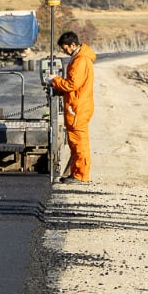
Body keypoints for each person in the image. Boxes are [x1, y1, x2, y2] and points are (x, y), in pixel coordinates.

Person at [50, 31, 95, 184]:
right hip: (77, 106)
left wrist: (55, 80)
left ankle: (81, 175)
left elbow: (72, 84)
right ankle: (76, 172)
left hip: (78, 108)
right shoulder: (79, 59)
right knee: (75, 142)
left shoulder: (80, 61)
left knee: (79, 142)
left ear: (73, 45)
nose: (65, 52)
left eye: (66, 49)